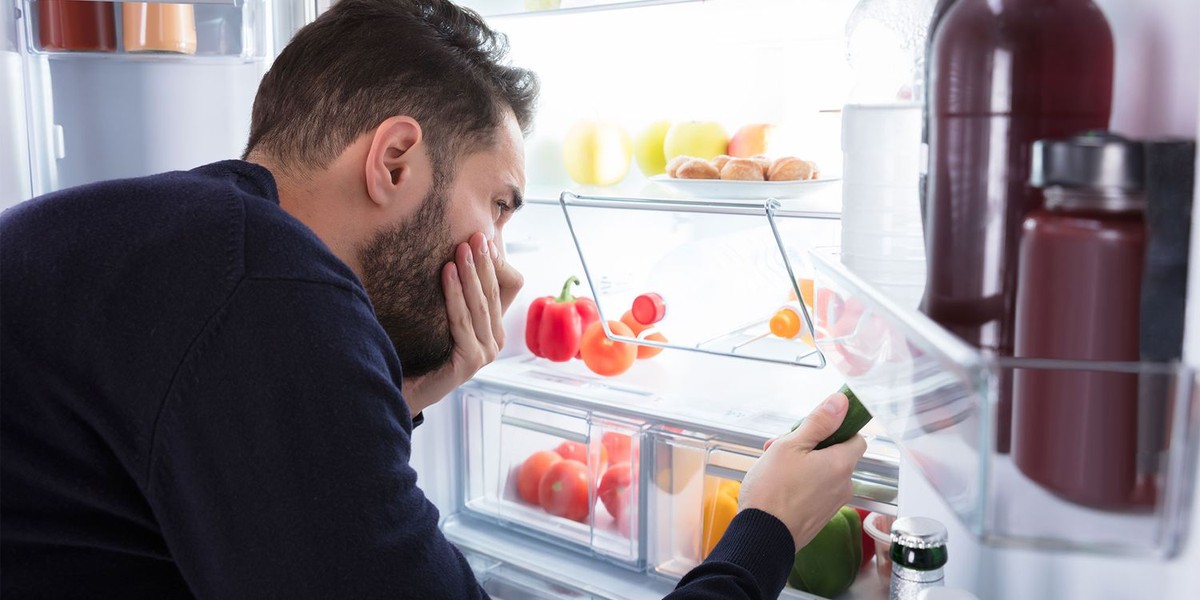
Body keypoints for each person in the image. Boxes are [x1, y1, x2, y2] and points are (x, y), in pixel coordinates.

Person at [0, 0, 867, 598]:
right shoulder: (270, 289)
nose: (502, 261)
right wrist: (764, 529)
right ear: (395, 160)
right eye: (498, 206)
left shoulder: (181, 241)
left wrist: (410, 390)